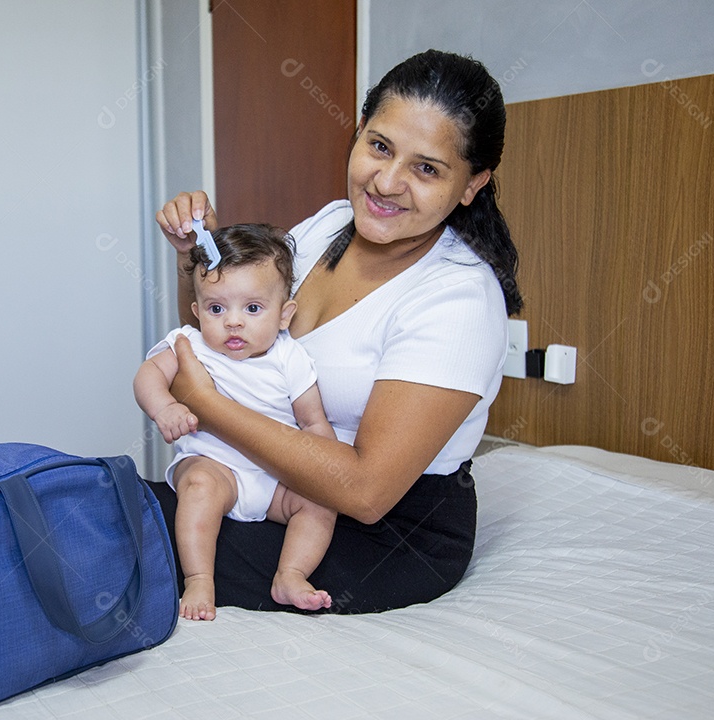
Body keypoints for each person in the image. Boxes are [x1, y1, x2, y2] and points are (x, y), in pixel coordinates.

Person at [150, 49, 523, 614]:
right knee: (113, 503)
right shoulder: (329, 225)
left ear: (472, 184)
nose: (387, 182)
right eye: (379, 146)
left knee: (131, 535)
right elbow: (235, 334)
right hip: (272, 480)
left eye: (427, 168)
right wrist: (195, 263)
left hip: (383, 533)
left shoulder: (458, 299)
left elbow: (368, 493)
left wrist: (206, 403)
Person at [134, 223, 338, 621]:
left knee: (319, 502)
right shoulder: (189, 343)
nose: (233, 322)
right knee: (200, 488)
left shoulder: (290, 358)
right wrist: (164, 408)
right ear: (197, 312)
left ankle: (290, 574)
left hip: (274, 477)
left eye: (253, 308)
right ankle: (198, 578)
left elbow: (313, 423)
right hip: (215, 465)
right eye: (216, 308)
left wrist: (331, 464)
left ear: (284, 315)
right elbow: (147, 375)